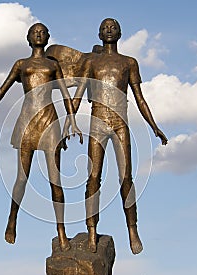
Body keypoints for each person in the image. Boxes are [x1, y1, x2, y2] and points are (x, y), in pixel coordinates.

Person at [0, 23, 82, 251]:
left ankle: (61, 231)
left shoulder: (53, 65)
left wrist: (73, 121)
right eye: (34, 32)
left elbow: (66, 94)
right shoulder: (21, 64)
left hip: (49, 120)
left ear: (47, 37)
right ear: (28, 38)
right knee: (22, 178)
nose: (38, 34)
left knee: (55, 180)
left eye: (42, 32)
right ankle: (12, 220)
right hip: (27, 121)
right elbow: (2, 90)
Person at [63, 18, 167, 254]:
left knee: (126, 178)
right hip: (97, 121)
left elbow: (139, 97)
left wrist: (154, 126)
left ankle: (132, 229)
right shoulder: (91, 61)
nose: (109, 30)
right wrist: (68, 121)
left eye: (113, 27)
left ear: (120, 33)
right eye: (104, 27)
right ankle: (91, 231)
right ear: (99, 34)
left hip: (120, 123)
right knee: (93, 178)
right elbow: (78, 95)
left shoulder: (129, 62)